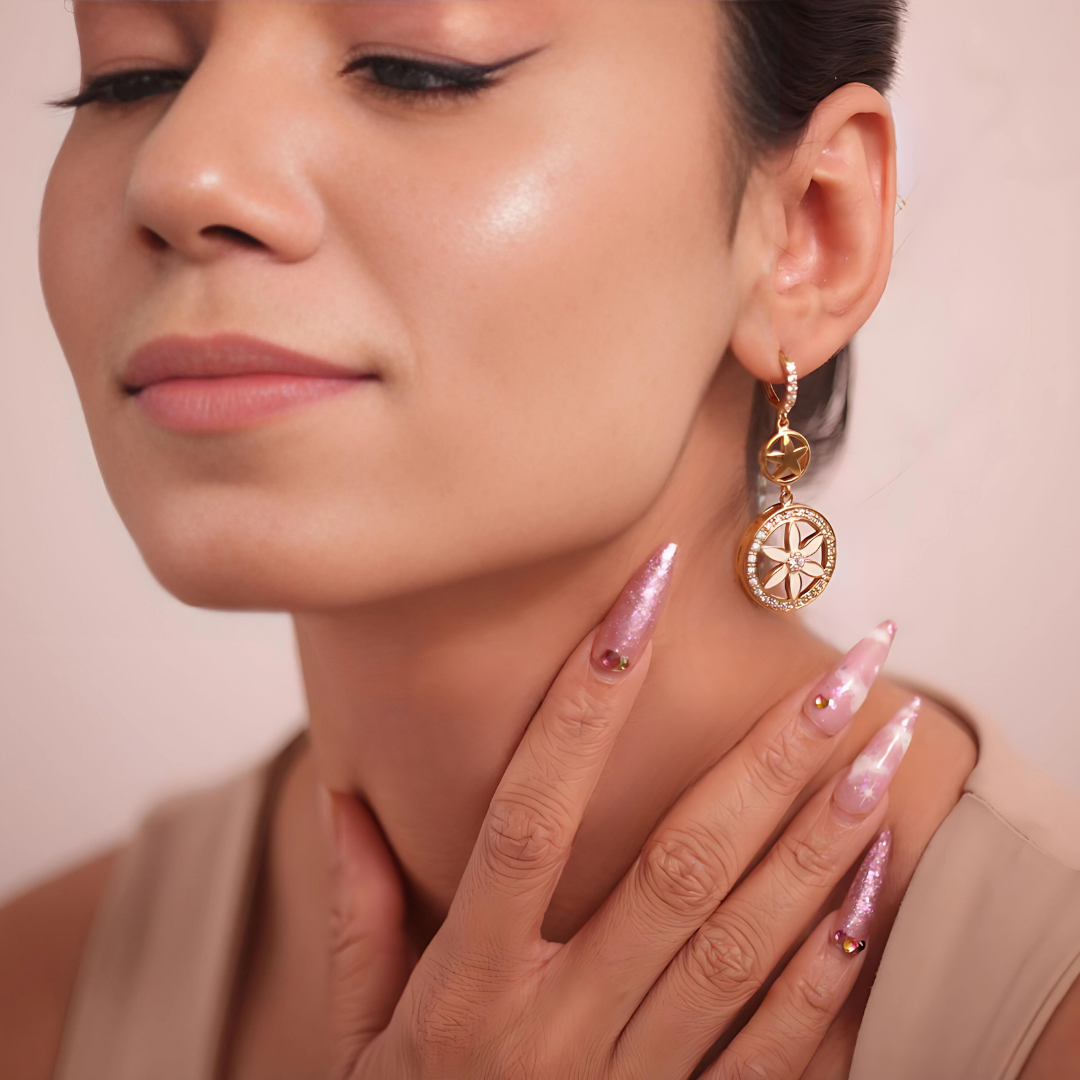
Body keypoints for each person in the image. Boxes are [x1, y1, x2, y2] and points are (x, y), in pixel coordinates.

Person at [2, 1, 1078, 1077]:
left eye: (415, 68)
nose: (179, 175)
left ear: (809, 231)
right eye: (128, 79)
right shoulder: (32, 996)